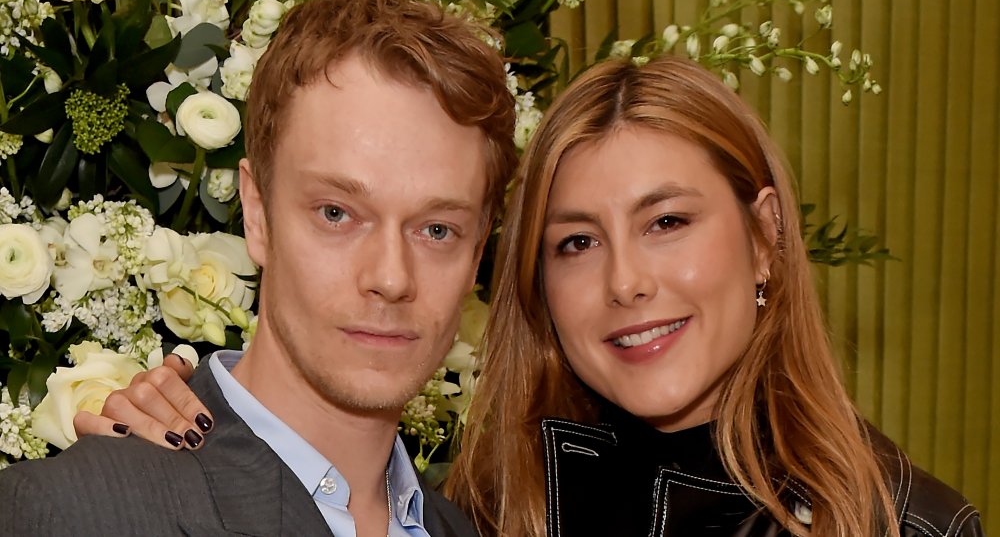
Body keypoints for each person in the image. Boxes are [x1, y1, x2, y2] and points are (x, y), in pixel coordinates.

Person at [81, 57, 983, 536]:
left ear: (766, 237)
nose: (626, 281)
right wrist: (153, 447)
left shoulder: (906, 525)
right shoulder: (488, 505)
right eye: (577, 242)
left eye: (667, 221)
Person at [0, 0, 516, 537]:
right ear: (257, 213)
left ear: (478, 250)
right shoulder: (71, 514)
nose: (390, 278)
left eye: (438, 229)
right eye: (337, 213)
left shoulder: (464, 528)